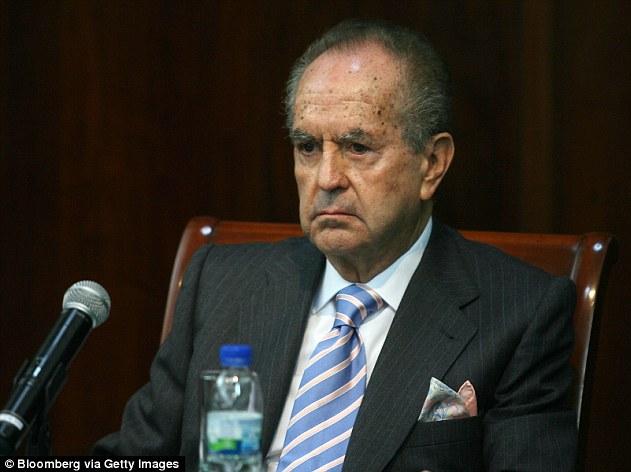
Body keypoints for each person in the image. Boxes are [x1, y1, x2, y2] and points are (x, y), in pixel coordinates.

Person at [94, 19, 577, 471]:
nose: (327, 178)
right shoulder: (221, 284)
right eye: (307, 147)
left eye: (357, 148)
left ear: (432, 163)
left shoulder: (518, 314)